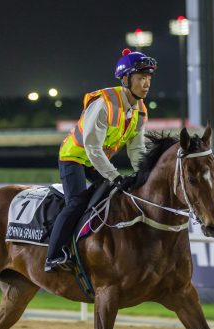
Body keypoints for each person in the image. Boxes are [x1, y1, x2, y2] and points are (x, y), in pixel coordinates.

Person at [44, 48, 157, 272]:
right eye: (140, 78)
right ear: (125, 79)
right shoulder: (103, 104)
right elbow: (92, 147)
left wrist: (143, 176)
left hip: (96, 161)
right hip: (74, 157)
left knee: (114, 198)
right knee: (77, 202)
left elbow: (136, 149)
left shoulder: (140, 111)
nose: (146, 84)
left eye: (148, 78)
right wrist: (115, 176)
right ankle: (53, 255)